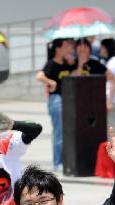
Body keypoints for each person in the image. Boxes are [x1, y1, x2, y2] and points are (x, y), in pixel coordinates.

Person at [36, 38, 75, 171]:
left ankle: (64, 160)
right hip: (56, 100)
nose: (68, 48)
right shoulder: (51, 63)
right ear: (58, 48)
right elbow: (40, 76)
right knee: (59, 132)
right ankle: (58, 162)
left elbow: (75, 75)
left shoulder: (67, 63)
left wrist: (76, 63)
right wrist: (50, 82)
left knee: (66, 132)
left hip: (67, 100)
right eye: (65, 46)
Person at [100, 38, 115, 130]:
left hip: (111, 99)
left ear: (107, 48)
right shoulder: (109, 62)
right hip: (110, 99)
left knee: (112, 127)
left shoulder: (113, 63)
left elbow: (113, 83)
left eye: (102, 47)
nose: (100, 50)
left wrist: (109, 102)